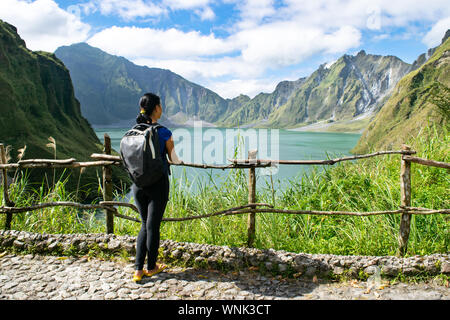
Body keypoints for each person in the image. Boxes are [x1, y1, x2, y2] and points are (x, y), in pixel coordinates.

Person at [132, 93, 182, 282]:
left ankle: (138, 270)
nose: (162, 108)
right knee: (153, 226)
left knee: (144, 224)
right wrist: (178, 159)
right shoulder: (164, 132)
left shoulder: (135, 130)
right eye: (160, 105)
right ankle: (151, 267)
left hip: (138, 184)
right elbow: (173, 159)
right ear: (156, 109)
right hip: (158, 184)